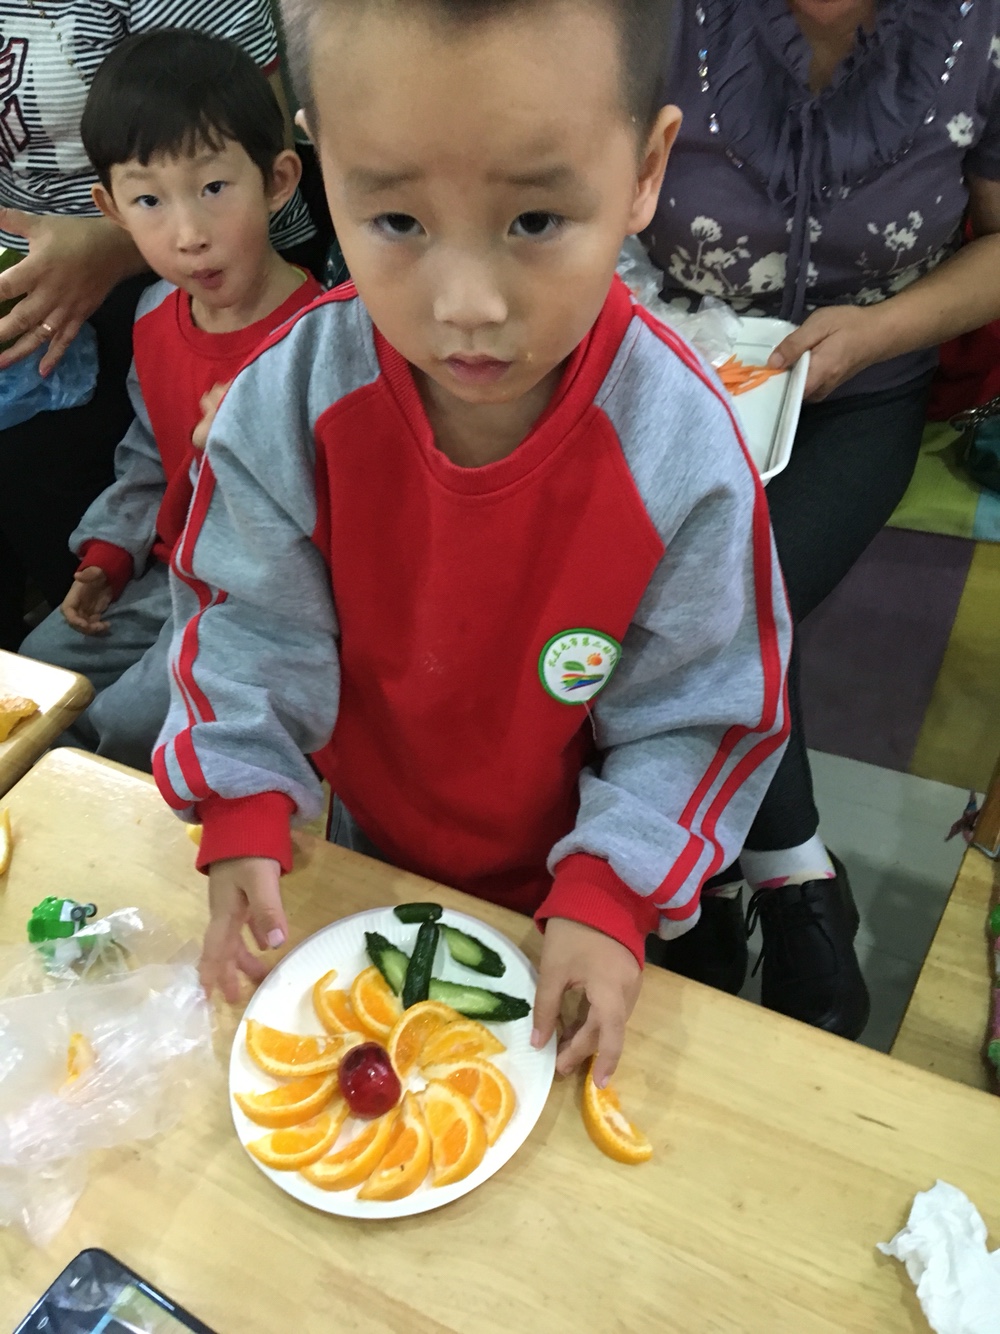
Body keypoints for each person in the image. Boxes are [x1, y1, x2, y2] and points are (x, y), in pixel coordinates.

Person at [153, 0, 793, 1085]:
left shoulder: (681, 453)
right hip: (368, 858)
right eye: (397, 221)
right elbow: (248, 626)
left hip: (591, 893)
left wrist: (613, 887)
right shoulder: (288, 407)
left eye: (534, 219)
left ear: (646, 171)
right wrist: (244, 797)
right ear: (319, 165)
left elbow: (698, 708)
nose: (466, 305)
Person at [644, 0, 1000, 1038]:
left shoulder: (980, 27)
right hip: (669, 370)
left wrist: (879, 332)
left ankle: (725, 874)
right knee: (700, 586)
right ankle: (788, 872)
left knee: (732, 588)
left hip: (864, 389)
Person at [19, 30, 324, 771]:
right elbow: (149, 457)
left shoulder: (322, 342)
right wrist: (108, 554)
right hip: (166, 578)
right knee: (37, 672)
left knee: (124, 724)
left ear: (278, 180)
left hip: (255, 600)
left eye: (214, 188)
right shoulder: (157, 315)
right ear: (111, 208)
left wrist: (259, 442)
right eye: (149, 200)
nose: (189, 235)